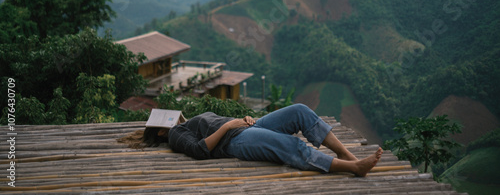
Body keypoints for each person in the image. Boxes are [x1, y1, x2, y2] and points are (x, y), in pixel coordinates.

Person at [120, 104, 383, 176]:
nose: (173, 118)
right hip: (234, 142)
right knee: (289, 145)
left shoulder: (186, 123)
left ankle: (349, 155)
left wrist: (240, 119)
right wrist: (229, 127)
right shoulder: (176, 134)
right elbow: (200, 151)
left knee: (300, 111)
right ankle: (352, 167)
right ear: (161, 131)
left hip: (242, 128)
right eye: (166, 120)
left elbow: (220, 124)